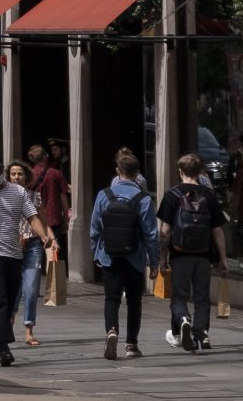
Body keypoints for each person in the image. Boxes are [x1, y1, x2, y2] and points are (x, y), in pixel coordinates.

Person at [0, 154, 54, 367]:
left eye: (0, 171)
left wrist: (44, 235)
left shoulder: (18, 192)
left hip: (14, 254)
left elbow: (32, 216)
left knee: (8, 304)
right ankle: (5, 348)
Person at [90, 147, 159, 360]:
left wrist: (96, 254)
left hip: (109, 256)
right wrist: (154, 262)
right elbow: (151, 235)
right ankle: (131, 345)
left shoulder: (104, 195)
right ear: (138, 173)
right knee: (134, 301)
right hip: (134, 259)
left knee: (111, 299)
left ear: (117, 170)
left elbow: (95, 229)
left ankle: (111, 330)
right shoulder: (144, 199)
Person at [156, 151, 225, 352]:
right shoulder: (209, 195)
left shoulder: (172, 195)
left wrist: (162, 258)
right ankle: (202, 335)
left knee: (179, 296)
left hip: (179, 254)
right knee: (202, 297)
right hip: (204, 255)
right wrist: (222, 258)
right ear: (200, 171)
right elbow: (218, 230)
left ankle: (184, 319)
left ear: (180, 171)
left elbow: (165, 231)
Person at [8, 159, 50, 347]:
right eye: (13, 174)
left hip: (33, 244)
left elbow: (42, 220)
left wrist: (50, 238)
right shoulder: (2, 196)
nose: (16, 177)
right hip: (11, 245)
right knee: (13, 288)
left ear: (26, 176)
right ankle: (8, 323)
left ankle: (29, 329)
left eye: (20, 174)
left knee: (31, 287)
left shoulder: (35, 197)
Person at [30, 143, 71, 308]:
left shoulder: (29, 174)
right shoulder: (56, 173)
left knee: (33, 255)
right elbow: (62, 198)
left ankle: (33, 287)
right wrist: (67, 218)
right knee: (51, 254)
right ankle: (50, 288)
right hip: (52, 219)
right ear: (45, 157)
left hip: (33, 219)